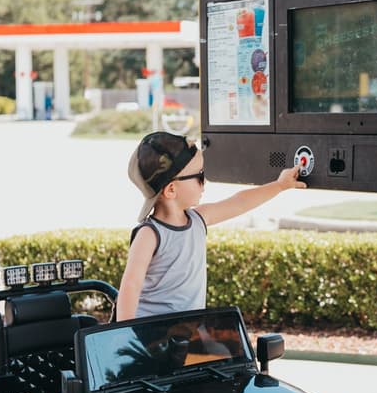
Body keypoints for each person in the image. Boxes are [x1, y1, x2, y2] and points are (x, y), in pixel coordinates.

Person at [116, 131, 305, 322]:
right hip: (150, 337)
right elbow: (131, 286)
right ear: (171, 189)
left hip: (187, 333)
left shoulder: (198, 219)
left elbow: (239, 202)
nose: (205, 181)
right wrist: (126, 336)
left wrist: (280, 185)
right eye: (200, 176)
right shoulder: (150, 234)